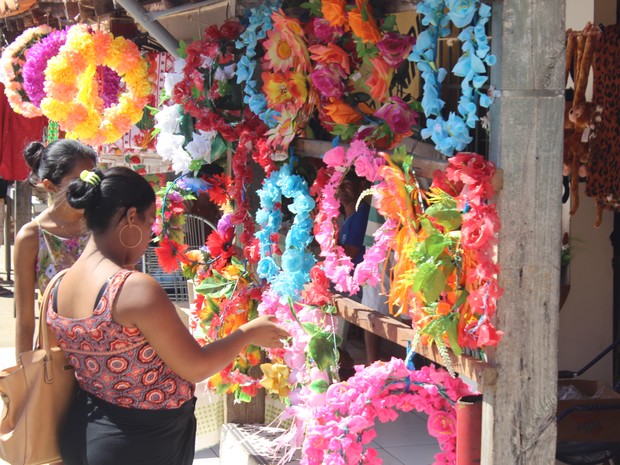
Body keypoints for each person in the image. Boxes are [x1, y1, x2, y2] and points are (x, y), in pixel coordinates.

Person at [47, 167, 289, 465]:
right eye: (150, 222)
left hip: (84, 434)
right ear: (131, 218)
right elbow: (195, 367)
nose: (151, 234)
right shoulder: (133, 288)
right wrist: (249, 332)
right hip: (139, 445)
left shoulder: (58, 285)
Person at [14, 139, 97, 359]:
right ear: (50, 186)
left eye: (92, 180)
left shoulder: (103, 226)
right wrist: (26, 377)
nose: (88, 189)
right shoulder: (31, 237)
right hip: (57, 360)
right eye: (77, 181)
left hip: (108, 358)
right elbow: (24, 319)